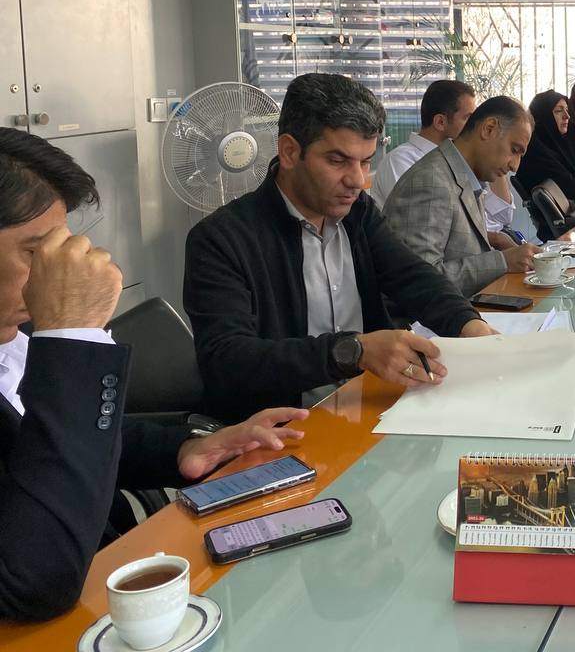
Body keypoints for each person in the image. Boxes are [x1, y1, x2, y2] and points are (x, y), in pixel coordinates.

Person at [0, 129, 307, 620]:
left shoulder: (21, 336)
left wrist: (185, 448)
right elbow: (36, 577)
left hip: (109, 576)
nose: (58, 269)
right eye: (36, 252)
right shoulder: (52, 336)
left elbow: (56, 441)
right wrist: (73, 338)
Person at [185, 73, 497, 422]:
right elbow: (227, 360)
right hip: (283, 428)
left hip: (368, 408)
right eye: (337, 161)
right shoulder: (221, 240)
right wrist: (353, 351)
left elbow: (412, 275)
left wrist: (469, 324)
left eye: (365, 161)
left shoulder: (358, 213)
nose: (358, 180)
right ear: (290, 152)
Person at [383, 96, 537, 296]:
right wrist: (502, 261)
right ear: (489, 128)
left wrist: (497, 249)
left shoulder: (464, 177)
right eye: (514, 150)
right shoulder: (430, 181)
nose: (515, 166)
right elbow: (419, 283)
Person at [368, 79, 474, 208]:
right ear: (440, 122)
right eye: (468, 118)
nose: (474, 125)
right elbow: (418, 214)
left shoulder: (455, 159)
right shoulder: (399, 161)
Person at [515, 90, 575, 203]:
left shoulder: (563, 143)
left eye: (567, 110)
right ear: (543, 116)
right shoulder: (535, 151)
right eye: (558, 111)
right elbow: (569, 187)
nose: (567, 116)